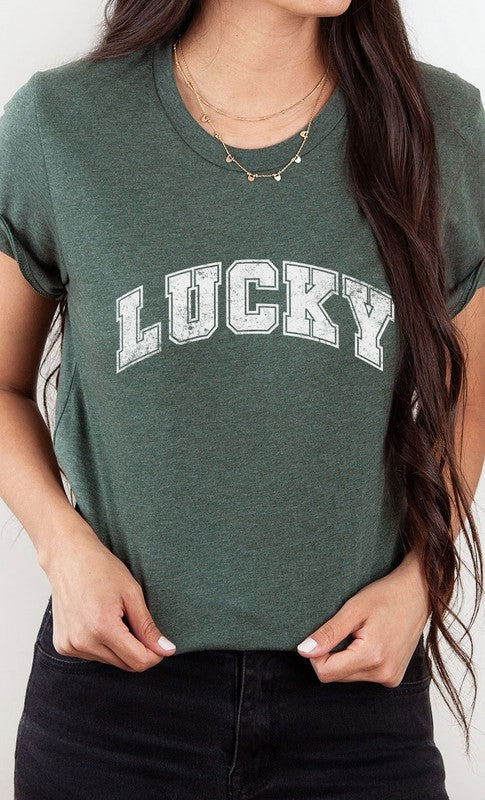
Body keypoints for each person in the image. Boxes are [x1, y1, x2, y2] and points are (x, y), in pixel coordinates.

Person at [1, 0, 484, 798]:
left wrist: (420, 582)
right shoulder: (64, 125)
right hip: (115, 708)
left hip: (354, 707)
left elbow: (471, 396)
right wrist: (63, 549)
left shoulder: (438, 125)